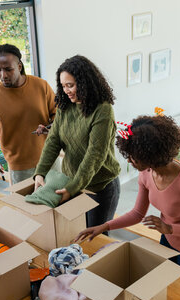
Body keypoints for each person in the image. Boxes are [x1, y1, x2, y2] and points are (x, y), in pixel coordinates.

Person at [75, 115, 180, 278]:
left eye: (133, 156)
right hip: (168, 239)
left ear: (150, 155)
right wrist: (104, 226)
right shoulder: (147, 174)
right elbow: (137, 214)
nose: (129, 160)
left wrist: (169, 228)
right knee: (166, 284)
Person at [34, 55, 121, 228]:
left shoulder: (102, 109)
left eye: (70, 85)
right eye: (63, 86)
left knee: (96, 237)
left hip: (100, 186)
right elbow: (53, 141)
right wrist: (40, 172)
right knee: (76, 231)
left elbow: (95, 154)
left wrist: (72, 187)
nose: (66, 91)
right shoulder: (65, 106)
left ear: (85, 83)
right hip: (73, 182)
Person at [0, 44, 56, 184]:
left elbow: (58, 116)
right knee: (25, 206)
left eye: (8, 69)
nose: (3, 75)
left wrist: (50, 127)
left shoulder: (41, 86)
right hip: (20, 170)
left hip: (50, 160)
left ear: (19, 66)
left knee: (59, 203)